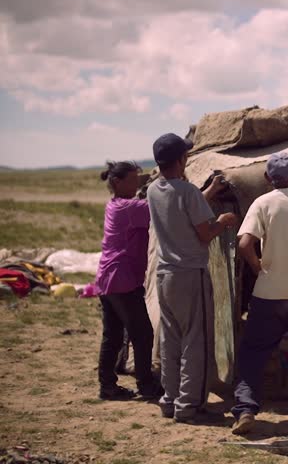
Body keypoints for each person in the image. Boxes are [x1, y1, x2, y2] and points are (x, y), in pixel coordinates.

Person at [230, 151, 288, 435]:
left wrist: (257, 267)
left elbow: (244, 243)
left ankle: (246, 409)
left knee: (254, 352)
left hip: (271, 292)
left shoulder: (263, 203)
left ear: (267, 177)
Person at [146, 133, 237, 423]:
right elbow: (204, 232)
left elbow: (183, 209)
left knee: (171, 341)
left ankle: (170, 400)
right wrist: (222, 222)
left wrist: (208, 192)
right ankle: (190, 405)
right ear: (181, 160)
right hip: (190, 275)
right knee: (195, 342)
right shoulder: (187, 192)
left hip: (165, 275)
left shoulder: (153, 190)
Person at [95, 161, 162, 401]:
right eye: (132, 180)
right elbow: (163, 208)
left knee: (112, 335)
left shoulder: (114, 204)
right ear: (117, 182)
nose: (137, 184)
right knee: (143, 334)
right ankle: (146, 385)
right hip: (122, 280)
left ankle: (108, 386)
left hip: (107, 278)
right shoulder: (129, 208)